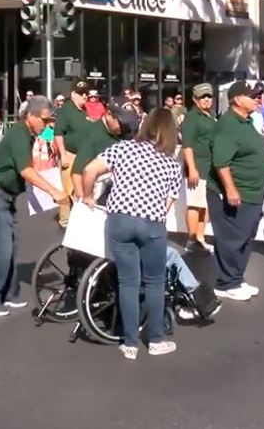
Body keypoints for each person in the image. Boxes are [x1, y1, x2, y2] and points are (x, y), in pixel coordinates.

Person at [81, 109, 183, 359]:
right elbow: (167, 205)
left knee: (128, 282)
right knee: (155, 282)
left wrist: (87, 195)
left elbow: (89, 171)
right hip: (151, 225)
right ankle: (156, 340)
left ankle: (130, 343)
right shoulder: (171, 164)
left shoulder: (122, 149)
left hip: (120, 222)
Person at [0, 96, 68, 317]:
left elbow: (51, 140)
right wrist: (53, 191)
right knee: (1, 251)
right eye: (44, 120)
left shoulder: (29, 134)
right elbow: (25, 170)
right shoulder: (18, 134)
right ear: (31, 116)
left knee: (11, 248)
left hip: (6, 196)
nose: (46, 125)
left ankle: (5, 295)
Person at [206, 81, 264, 302]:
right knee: (232, 238)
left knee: (245, 237)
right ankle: (226, 283)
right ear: (237, 99)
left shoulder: (246, 121)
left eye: (259, 96)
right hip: (236, 194)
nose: (257, 99)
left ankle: (237, 278)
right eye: (252, 96)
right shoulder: (228, 124)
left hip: (252, 192)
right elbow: (221, 162)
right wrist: (231, 189)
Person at [70, 97, 140, 196]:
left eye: (128, 123)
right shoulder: (93, 135)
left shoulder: (127, 132)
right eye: (121, 123)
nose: (125, 127)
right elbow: (77, 172)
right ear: (108, 115)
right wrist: (82, 198)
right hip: (97, 193)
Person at [181, 83, 216, 254]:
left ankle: (200, 238)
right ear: (195, 99)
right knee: (194, 205)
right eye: (203, 97)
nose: (207, 99)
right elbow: (187, 145)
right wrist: (192, 168)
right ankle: (192, 239)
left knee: (205, 206)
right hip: (197, 168)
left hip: (210, 169)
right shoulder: (192, 118)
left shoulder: (210, 116)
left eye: (209, 96)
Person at [53, 80, 92, 229]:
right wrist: (62, 154)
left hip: (83, 155)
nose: (85, 96)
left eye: (86, 93)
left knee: (80, 188)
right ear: (73, 94)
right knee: (66, 188)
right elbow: (58, 133)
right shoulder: (66, 110)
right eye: (81, 93)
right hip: (69, 153)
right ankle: (65, 220)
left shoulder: (84, 111)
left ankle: (77, 217)